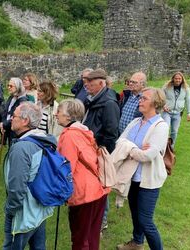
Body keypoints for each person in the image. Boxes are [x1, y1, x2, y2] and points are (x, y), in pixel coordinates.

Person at [116, 87, 169, 250]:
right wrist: (136, 148)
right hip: (133, 177)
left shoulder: (161, 126)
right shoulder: (135, 122)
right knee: (136, 215)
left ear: (155, 102)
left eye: (144, 98)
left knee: (146, 221)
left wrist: (130, 149)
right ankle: (137, 243)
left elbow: (148, 155)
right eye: (140, 98)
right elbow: (119, 142)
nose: (140, 100)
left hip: (149, 180)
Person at [56, 98, 109, 250]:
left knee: (80, 239)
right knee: (92, 236)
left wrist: (60, 193)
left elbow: (67, 168)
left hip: (84, 193)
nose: (55, 114)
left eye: (59, 111)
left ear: (68, 116)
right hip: (98, 189)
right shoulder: (84, 131)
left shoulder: (69, 135)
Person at [3, 102, 55, 250]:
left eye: (14, 116)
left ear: (25, 121)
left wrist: (10, 210)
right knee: (38, 246)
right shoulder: (44, 138)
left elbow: (17, 187)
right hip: (40, 207)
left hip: (23, 213)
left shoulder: (21, 148)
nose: (11, 119)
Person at [82, 68, 120, 232]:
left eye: (90, 83)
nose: (87, 86)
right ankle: (92, 215)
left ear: (101, 83)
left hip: (98, 152)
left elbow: (111, 134)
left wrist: (101, 152)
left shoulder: (109, 103)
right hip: (90, 150)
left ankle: (101, 220)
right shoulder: (94, 99)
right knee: (92, 185)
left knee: (101, 186)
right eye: (86, 83)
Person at [162, 71, 190, 147]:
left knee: (174, 131)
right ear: (173, 79)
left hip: (178, 113)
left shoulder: (186, 88)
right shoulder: (166, 87)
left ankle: (171, 148)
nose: (178, 80)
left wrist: (189, 113)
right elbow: (160, 97)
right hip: (167, 112)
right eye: (176, 78)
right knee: (165, 129)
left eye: (179, 78)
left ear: (182, 79)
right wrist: (163, 106)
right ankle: (162, 147)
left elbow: (188, 101)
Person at [0, 78, 28, 146]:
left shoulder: (22, 100)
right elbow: (6, 111)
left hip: (16, 129)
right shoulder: (11, 97)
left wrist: (4, 124)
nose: (9, 88)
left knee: (13, 146)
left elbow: (17, 116)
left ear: (18, 87)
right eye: (8, 85)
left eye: (11, 86)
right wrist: (3, 123)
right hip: (9, 126)